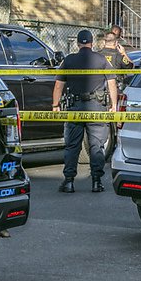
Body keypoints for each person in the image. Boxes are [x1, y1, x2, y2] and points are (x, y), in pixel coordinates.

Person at [52, 30, 118, 193]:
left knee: (72, 146)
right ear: (91, 43)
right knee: (96, 146)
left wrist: (55, 105)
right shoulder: (102, 60)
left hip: (75, 107)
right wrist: (114, 105)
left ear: (77, 43)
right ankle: (96, 182)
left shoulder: (69, 60)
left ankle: (68, 182)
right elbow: (112, 83)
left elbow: (59, 85)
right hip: (97, 107)